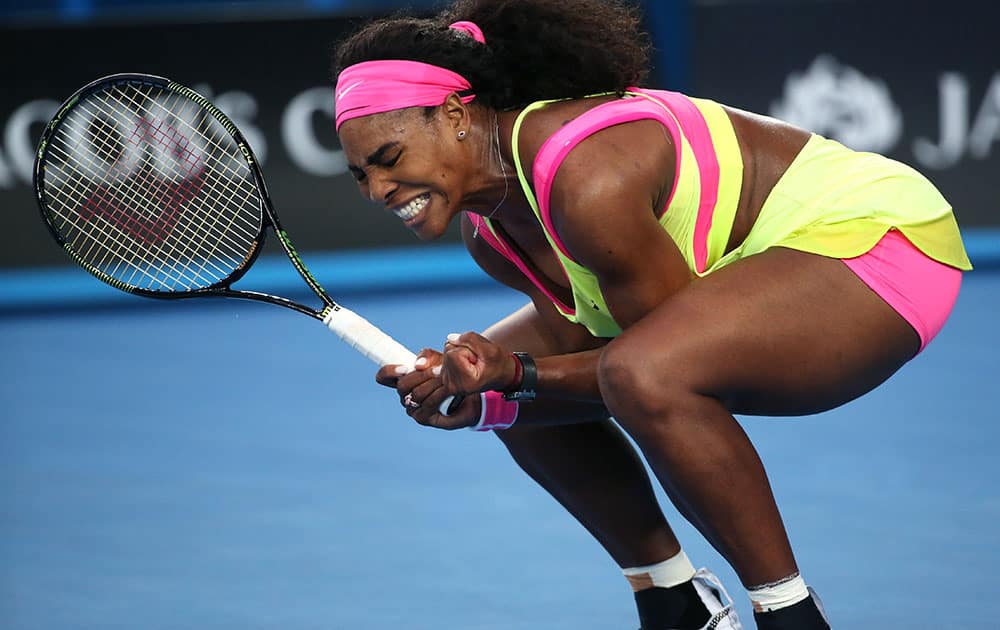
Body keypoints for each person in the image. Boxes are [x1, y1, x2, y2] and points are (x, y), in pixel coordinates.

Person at [331, 1, 972, 628]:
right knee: (519, 397)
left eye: (389, 158)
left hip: (878, 242)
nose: (379, 190)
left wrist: (519, 373)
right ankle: (673, 601)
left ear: (454, 114)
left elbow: (655, 363)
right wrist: (480, 384)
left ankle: (791, 615)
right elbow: (602, 348)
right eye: (359, 175)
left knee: (638, 373)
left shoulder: (585, 178)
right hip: (756, 268)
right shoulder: (490, 234)